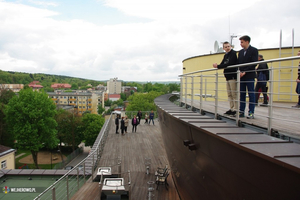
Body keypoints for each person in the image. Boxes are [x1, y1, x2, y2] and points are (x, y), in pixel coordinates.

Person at [213, 41, 238, 116]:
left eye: (228, 46)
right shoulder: (226, 55)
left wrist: (218, 66)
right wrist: (217, 65)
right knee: (229, 94)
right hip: (228, 77)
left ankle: (236, 109)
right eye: (226, 47)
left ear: (231, 46)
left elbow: (229, 64)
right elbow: (223, 63)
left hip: (232, 76)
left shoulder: (233, 54)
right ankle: (231, 108)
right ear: (223, 48)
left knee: (234, 93)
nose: (227, 48)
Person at [237, 35, 258, 119]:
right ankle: (241, 111)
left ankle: (251, 112)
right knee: (242, 94)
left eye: (242, 42)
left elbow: (254, 63)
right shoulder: (241, 52)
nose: (241, 44)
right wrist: (240, 72)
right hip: (242, 76)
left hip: (249, 75)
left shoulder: (254, 50)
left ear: (247, 42)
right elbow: (239, 63)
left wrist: (245, 71)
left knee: (251, 93)